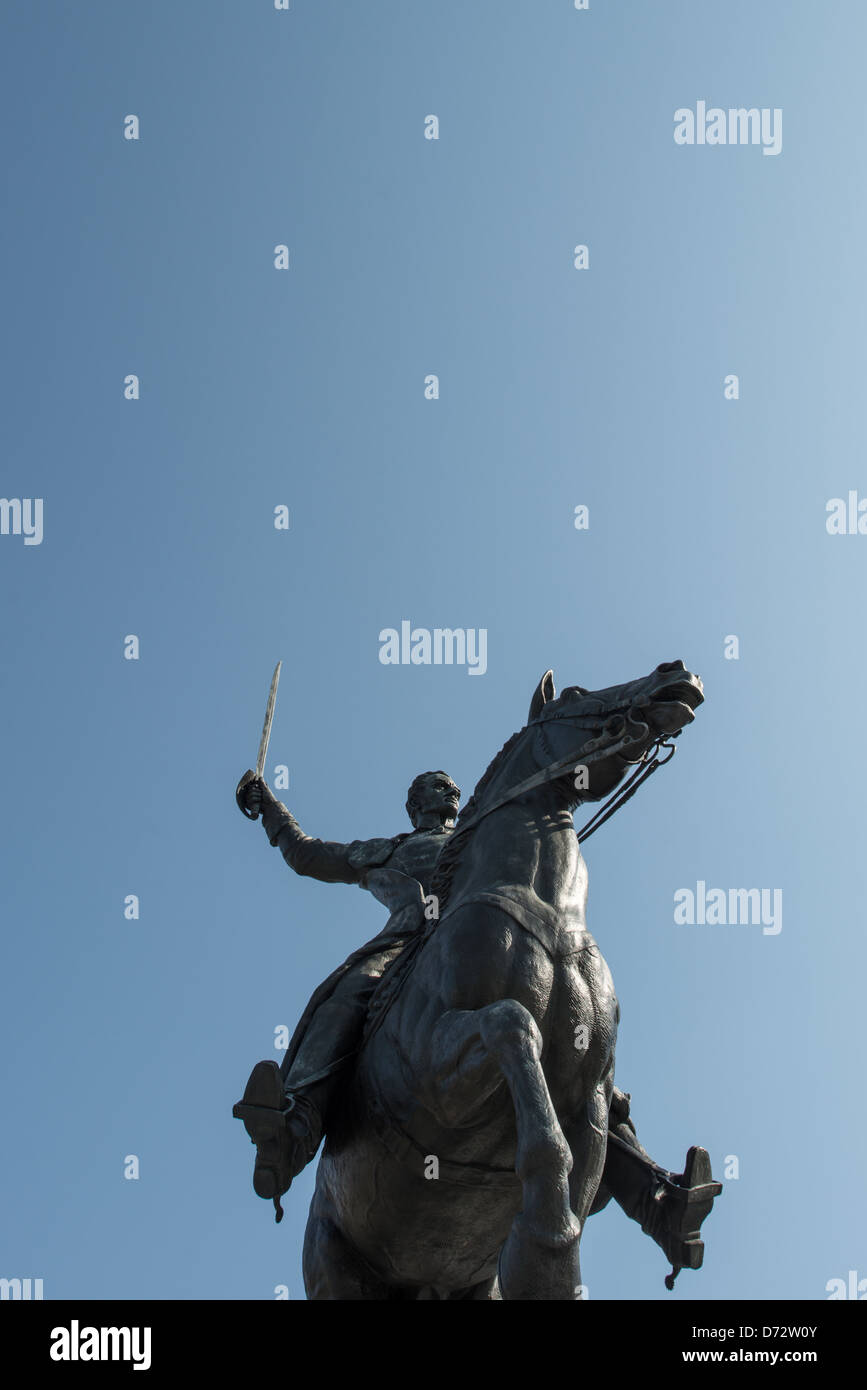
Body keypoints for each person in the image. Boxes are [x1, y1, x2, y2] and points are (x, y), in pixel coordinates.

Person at [233, 770, 719, 1282]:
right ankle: (292, 1130)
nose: (450, 791)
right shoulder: (386, 850)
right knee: (346, 993)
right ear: (413, 802)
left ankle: (656, 1201)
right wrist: (268, 807)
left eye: (451, 786)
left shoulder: (487, 830)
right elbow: (308, 854)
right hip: (408, 949)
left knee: (579, 1053)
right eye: (435, 786)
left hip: (487, 952)